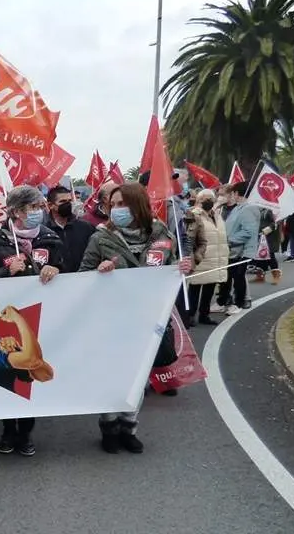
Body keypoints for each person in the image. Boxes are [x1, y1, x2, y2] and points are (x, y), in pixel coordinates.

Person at [78, 183, 193, 454]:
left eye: (122, 204)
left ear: (138, 205)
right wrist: (99, 271)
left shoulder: (162, 234)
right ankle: (108, 428)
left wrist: (183, 267)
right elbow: (82, 274)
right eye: (113, 205)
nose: (116, 210)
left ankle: (129, 428)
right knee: (111, 376)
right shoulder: (100, 238)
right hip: (111, 320)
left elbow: (172, 267)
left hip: (148, 319)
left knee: (138, 378)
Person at [0, 185, 63, 457]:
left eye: (39, 207)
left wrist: (56, 268)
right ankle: (8, 430)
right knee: (8, 373)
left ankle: (26, 433)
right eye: (30, 208)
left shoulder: (50, 237)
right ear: (15, 212)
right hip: (7, 318)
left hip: (43, 316)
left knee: (32, 371)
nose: (36, 212)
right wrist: (5, 270)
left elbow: (70, 271)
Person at [183, 189, 229, 326]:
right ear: (198, 201)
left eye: (211, 198)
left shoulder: (217, 215)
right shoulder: (193, 215)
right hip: (201, 258)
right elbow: (190, 238)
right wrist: (194, 256)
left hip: (216, 257)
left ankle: (204, 314)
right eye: (204, 199)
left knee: (210, 288)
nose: (208, 201)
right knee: (195, 288)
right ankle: (190, 315)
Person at [217, 182, 260, 315]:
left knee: (239, 278)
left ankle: (239, 303)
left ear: (236, 193)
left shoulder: (249, 208)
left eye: (233, 193)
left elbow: (248, 232)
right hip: (234, 250)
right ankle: (227, 302)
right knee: (231, 276)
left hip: (243, 251)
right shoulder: (239, 207)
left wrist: (229, 240)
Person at [45, 186, 96, 273]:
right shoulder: (44, 231)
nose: (67, 204)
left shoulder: (86, 227)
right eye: (63, 202)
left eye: (69, 201)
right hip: (55, 282)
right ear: (50, 205)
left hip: (84, 279)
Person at [252, 208, 282, 284]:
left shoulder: (272, 210)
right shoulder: (261, 209)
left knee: (270, 256)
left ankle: (276, 276)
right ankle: (260, 276)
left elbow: (276, 222)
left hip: (269, 237)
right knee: (260, 256)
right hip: (260, 236)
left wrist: (266, 230)